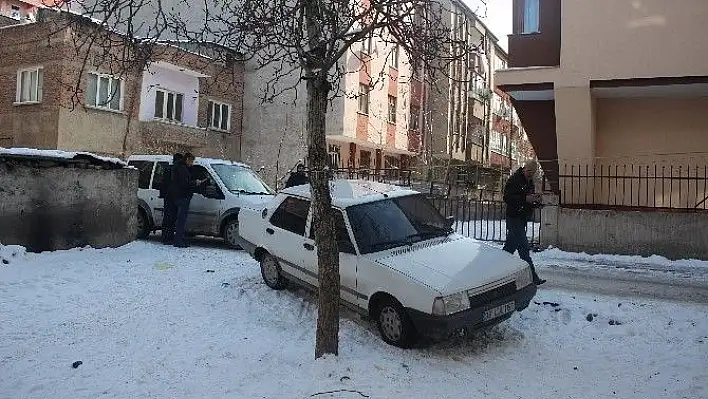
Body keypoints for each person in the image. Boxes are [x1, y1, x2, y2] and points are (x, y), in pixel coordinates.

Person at [503, 160, 546, 285]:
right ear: (524, 168)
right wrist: (525, 198)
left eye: (532, 172)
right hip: (514, 218)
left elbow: (528, 198)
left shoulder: (530, 181)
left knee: (508, 249)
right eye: (528, 171)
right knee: (524, 249)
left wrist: (536, 203)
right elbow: (507, 197)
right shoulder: (515, 180)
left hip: (522, 218)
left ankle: (493, 271)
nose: (530, 174)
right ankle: (533, 278)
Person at [170, 152, 204, 248]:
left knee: (181, 219)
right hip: (182, 196)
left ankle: (180, 239)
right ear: (187, 159)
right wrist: (195, 183)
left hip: (180, 196)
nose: (192, 163)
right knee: (181, 219)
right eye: (192, 161)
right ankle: (178, 240)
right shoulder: (182, 168)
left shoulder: (181, 167)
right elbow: (185, 183)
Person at [159, 153, 182, 244]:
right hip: (171, 197)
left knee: (169, 218)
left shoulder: (169, 169)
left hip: (168, 197)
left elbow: (163, 183)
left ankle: (167, 237)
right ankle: (167, 237)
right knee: (170, 218)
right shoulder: (174, 170)